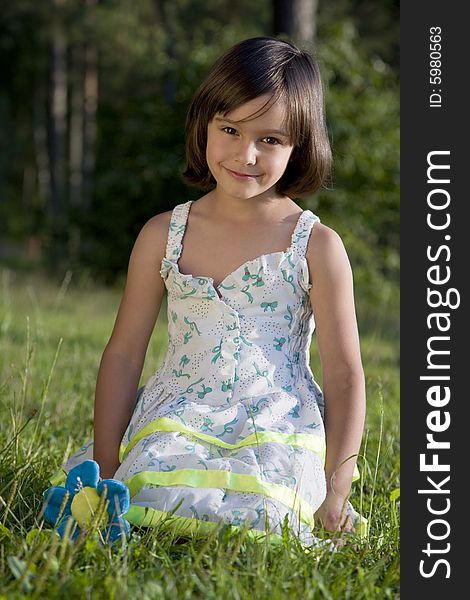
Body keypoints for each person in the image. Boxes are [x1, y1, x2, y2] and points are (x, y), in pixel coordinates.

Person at [61, 37, 366, 546]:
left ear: (300, 145)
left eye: (270, 140)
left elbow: (345, 373)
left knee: (267, 514)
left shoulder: (316, 246)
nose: (246, 154)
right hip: (180, 411)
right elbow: (123, 352)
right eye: (229, 130)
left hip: (277, 420)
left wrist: (337, 487)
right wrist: (108, 460)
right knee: (151, 492)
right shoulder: (165, 234)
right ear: (204, 125)